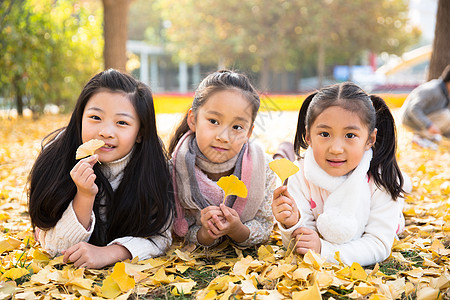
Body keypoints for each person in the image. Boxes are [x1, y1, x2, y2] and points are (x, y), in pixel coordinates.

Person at [28, 69, 174, 269]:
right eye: (95, 117)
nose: (106, 132)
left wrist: (109, 253)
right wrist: (85, 196)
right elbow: (54, 248)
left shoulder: (152, 168)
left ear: (140, 132)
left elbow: (161, 237)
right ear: (80, 117)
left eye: (122, 123)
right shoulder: (56, 159)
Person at [272, 82, 406, 266]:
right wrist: (292, 223)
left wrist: (325, 250)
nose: (336, 149)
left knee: (398, 194)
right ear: (308, 136)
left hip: (384, 214)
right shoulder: (300, 174)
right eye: (325, 134)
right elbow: (302, 244)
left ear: (370, 139)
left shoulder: (380, 181)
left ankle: (404, 187)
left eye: (350, 135)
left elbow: (378, 244)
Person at [168, 70, 276, 248]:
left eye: (237, 127)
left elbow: (264, 225)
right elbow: (181, 228)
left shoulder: (264, 169)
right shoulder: (175, 170)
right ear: (193, 120)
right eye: (213, 121)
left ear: (249, 132)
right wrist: (204, 233)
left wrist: (238, 229)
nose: (224, 137)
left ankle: (284, 152)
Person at [400, 64, 450, 145]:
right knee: (446, 115)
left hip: (424, 119)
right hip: (409, 120)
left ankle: (426, 137)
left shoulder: (446, 93)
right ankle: (420, 137)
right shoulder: (432, 89)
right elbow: (414, 108)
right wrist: (429, 125)